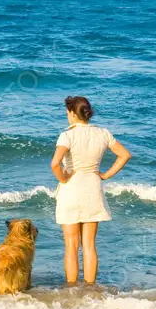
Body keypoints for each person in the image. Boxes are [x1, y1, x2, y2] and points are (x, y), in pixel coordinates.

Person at [50, 96, 131, 284]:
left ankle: (71, 289)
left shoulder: (67, 135)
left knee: (71, 246)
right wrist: (105, 175)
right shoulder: (103, 133)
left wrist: (63, 179)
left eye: (67, 112)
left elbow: (55, 164)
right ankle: (89, 288)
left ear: (72, 113)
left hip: (71, 191)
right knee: (89, 245)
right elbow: (125, 155)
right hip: (92, 190)